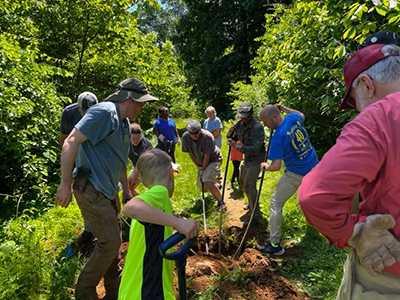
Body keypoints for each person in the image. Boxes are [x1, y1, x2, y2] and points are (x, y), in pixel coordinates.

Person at [298, 44, 400, 299]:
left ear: (366, 84)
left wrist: (356, 233)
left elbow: (316, 197)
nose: (357, 109)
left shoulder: (379, 120)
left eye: (354, 99)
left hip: (387, 275)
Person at [55, 77, 158, 300]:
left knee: (114, 241)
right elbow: (70, 141)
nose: (143, 107)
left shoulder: (122, 123)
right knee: (110, 241)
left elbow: (119, 161)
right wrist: (64, 185)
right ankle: (85, 292)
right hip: (91, 187)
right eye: (141, 102)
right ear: (130, 98)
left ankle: (114, 291)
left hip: (109, 191)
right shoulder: (104, 112)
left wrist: (126, 191)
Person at [118, 148, 199, 300]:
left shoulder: (154, 206)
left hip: (134, 289)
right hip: (149, 290)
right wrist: (178, 223)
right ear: (170, 173)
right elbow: (130, 207)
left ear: (142, 181)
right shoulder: (160, 193)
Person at [257, 104, 318, 255]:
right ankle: (318, 226)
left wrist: (265, 166)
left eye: (265, 122)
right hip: (314, 167)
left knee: (275, 203)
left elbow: (276, 166)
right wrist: (284, 108)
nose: (265, 125)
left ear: (274, 117)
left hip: (296, 174)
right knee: (309, 199)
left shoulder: (278, 137)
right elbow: (301, 114)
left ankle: (275, 244)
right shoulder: (292, 118)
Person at [59, 91, 98, 254]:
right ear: (79, 107)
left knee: (107, 191)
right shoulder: (69, 113)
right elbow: (65, 139)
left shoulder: (100, 113)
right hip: (78, 159)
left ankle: (114, 223)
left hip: (97, 157)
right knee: (81, 193)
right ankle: (89, 230)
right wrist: (69, 163)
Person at [227, 102, 265, 224]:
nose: (244, 119)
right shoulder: (239, 124)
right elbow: (235, 137)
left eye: (246, 116)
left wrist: (236, 147)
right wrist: (230, 136)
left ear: (252, 113)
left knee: (249, 184)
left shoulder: (257, 127)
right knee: (242, 181)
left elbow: (255, 149)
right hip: (247, 157)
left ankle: (256, 214)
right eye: (242, 116)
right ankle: (251, 203)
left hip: (257, 158)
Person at [182, 119, 225, 208]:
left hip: (214, 159)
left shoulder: (207, 137)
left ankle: (221, 202)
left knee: (206, 178)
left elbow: (207, 156)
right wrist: (199, 167)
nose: (194, 135)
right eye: (191, 133)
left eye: (196, 132)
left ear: (200, 130)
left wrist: (203, 170)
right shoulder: (185, 137)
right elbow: (190, 154)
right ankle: (216, 184)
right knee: (201, 186)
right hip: (201, 162)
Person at [127, 123, 153, 197]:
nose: (136, 141)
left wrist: (133, 182)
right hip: (136, 166)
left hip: (150, 169)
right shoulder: (125, 142)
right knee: (129, 188)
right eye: (133, 139)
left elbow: (139, 166)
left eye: (138, 139)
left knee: (156, 191)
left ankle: (168, 207)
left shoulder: (145, 146)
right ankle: (142, 201)